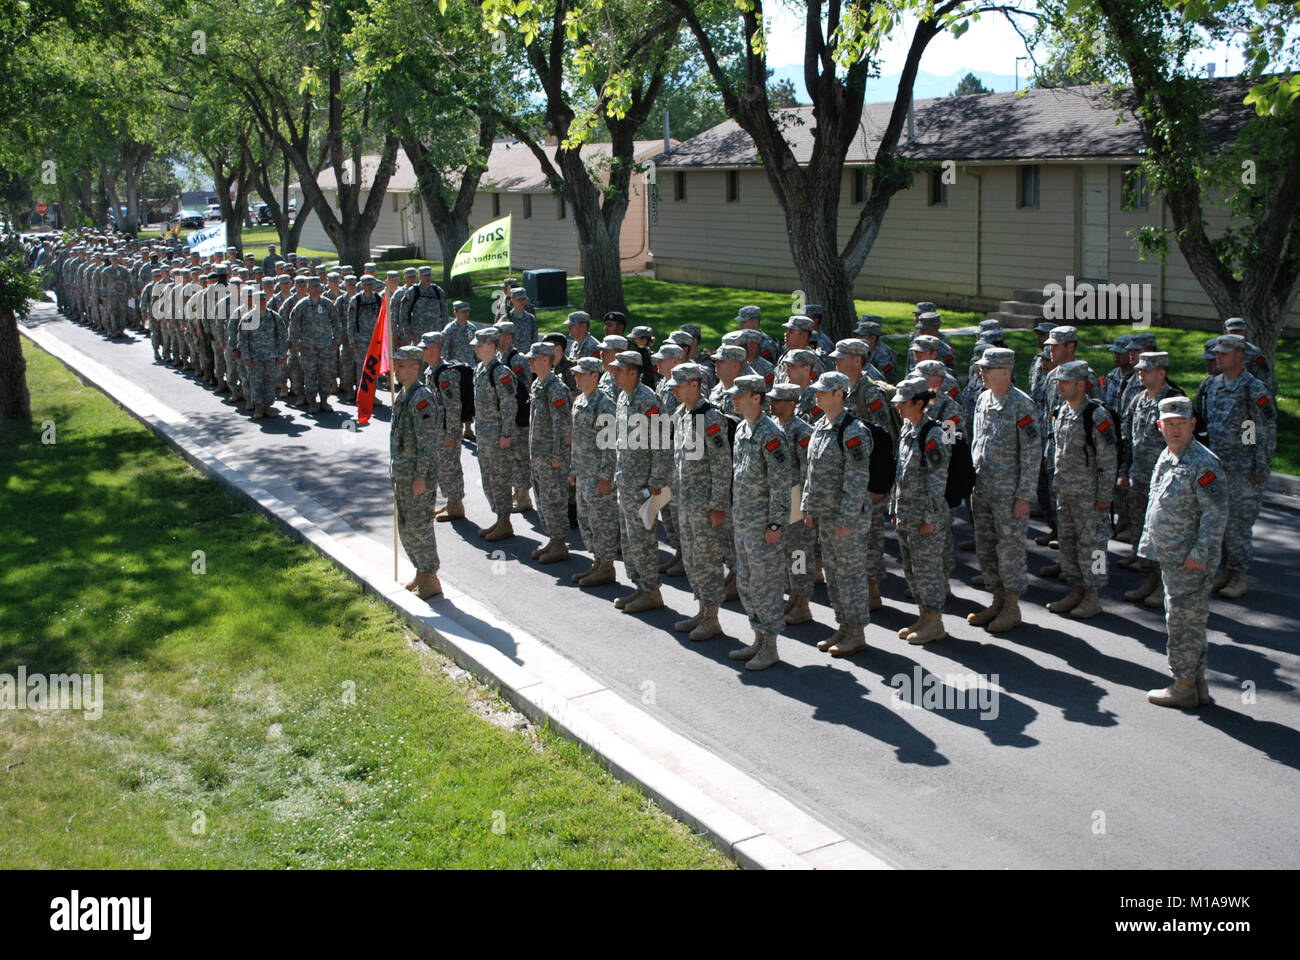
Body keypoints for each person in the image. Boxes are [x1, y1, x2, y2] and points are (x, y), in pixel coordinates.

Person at [1137, 396, 1228, 708]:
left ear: (1192, 424)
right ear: (1160, 426)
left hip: (1189, 560)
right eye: (1169, 424)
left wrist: (1199, 554)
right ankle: (1197, 682)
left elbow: (1216, 515)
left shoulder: (1203, 463)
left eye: (1181, 423)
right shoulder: (1169, 456)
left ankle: (1183, 685)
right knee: (1188, 619)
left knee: (1182, 622)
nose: (1175, 429)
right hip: (1172, 555)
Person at [967, 347, 1039, 633]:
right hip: (983, 487)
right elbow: (977, 440)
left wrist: (1024, 495)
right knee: (986, 547)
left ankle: (1011, 605)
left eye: (987, 369)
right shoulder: (983, 399)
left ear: (1006, 371)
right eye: (981, 368)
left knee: (1009, 550)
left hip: (1009, 493)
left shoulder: (1022, 405)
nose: (981, 373)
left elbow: (1032, 453)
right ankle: (997, 599)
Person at [802, 371, 872, 656]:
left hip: (846, 517)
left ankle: (856, 631)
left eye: (823, 391)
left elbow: (856, 479)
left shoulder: (853, 431)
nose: (816, 394)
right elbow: (812, 471)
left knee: (850, 575)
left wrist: (846, 519)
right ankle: (843, 626)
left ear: (839, 395)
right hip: (826, 513)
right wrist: (808, 505)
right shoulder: (821, 426)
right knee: (833, 572)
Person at [1202, 334, 1276, 599]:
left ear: (1239, 356)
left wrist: (1260, 468)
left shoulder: (1253, 389)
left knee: (1238, 524)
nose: (1218, 357)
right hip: (1217, 467)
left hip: (1243, 469)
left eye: (1224, 353)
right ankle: (1224, 571)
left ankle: (1238, 576)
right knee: (1217, 522)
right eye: (1217, 353)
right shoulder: (1212, 385)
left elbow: (1264, 431)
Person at [728, 374, 791, 669]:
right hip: (743, 521)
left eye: (740, 395)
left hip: (763, 526)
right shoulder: (742, 429)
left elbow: (781, 486)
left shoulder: (771, 435)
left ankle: (771, 645)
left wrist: (776, 525)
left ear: (757, 397)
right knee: (747, 583)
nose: (734, 399)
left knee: (766, 585)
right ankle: (757, 638)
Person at [1046, 360, 1117, 620]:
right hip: (1065, 492)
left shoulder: (1096, 416)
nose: (1060, 387)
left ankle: (1093, 595)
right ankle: (1076, 590)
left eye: (1065, 382)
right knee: (1068, 545)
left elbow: (1108, 459)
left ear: (1080, 384)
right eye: (1059, 382)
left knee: (1094, 547)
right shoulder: (1060, 412)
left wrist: (1104, 496)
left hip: (1089, 496)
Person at [668, 362, 731, 641]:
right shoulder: (682, 414)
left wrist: (718, 505)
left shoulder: (711, 417)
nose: (674, 389)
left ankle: (712, 617)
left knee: (707, 561)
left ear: (695, 384)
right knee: (692, 559)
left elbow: (721, 465)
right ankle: (703, 611)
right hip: (686, 502)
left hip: (705, 505)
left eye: (679, 384)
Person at [1117, 352, 1181, 604]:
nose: (1140, 373)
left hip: (1166, 481)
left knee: (1163, 533)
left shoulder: (1174, 401)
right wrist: (1124, 471)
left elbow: (1184, 441)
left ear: (1162, 372)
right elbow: (1127, 442)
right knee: (1143, 531)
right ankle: (1149, 579)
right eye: (1139, 369)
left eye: (1146, 370)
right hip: (1139, 477)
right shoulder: (1138, 400)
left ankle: (1163, 586)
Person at [891, 377, 951, 644]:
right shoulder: (908, 430)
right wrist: (895, 507)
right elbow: (901, 474)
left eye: (903, 403)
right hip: (906, 514)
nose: (898, 408)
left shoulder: (933, 434)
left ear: (918, 403)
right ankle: (923, 616)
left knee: (928, 570)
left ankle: (935, 622)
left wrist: (929, 517)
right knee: (913, 571)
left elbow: (937, 481)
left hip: (924, 517)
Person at [611, 350, 671, 613]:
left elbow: (661, 442)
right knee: (629, 539)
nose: (613, 373)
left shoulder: (649, 400)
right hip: (626, 480)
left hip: (644, 483)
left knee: (643, 539)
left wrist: (656, 480)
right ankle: (639, 587)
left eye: (618, 369)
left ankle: (651, 591)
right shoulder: (624, 397)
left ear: (633, 372)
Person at [389, 345, 443, 600]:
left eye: (401, 365)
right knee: (406, 526)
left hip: (417, 476)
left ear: (415, 367)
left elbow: (427, 442)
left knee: (420, 526)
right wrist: (394, 471)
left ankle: (431, 578)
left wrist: (421, 476)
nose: (396, 369)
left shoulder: (421, 397)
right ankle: (421, 571)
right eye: (396, 364)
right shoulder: (403, 394)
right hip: (403, 474)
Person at [569, 357, 620, 588]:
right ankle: (598, 562)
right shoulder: (580, 400)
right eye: (576, 373)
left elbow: (610, 446)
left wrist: (606, 477)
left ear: (594, 376)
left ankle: (607, 566)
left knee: (601, 522)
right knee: (586, 520)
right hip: (583, 472)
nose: (576, 377)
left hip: (598, 475)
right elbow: (577, 439)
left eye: (581, 373)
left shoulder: (604, 405)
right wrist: (573, 469)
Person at [526, 341, 572, 563]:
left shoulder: (556, 388)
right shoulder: (539, 385)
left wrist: (558, 457)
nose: (530, 362)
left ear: (545, 359)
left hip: (551, 458)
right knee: (542, 500)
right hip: (538, 456)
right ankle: (553, 540)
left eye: (533, 358)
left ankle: (560, 543)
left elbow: (562, 426)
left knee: (554, 500)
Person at [471, 327, 518, 541]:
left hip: (498, 435)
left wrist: (506, 434)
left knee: (500, 478)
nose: (475, 347)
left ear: (491, 346)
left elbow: (509, 404)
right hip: (483, 434)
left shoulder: (501, 372)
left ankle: (505, 521)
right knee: (488, 478)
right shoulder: (480, 369)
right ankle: (499, 518)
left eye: (479, 344)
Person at [419, 331, 466, 522]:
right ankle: (450, 502)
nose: (423, 351)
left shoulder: (446, 374)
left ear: (436, 348)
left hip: (447, 431)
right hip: (437, 430)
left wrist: (452, 434)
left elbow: (453, 406)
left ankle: (456, 506)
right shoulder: (431, 370)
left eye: (426, 347)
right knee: (442, 467)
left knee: (450, 467)